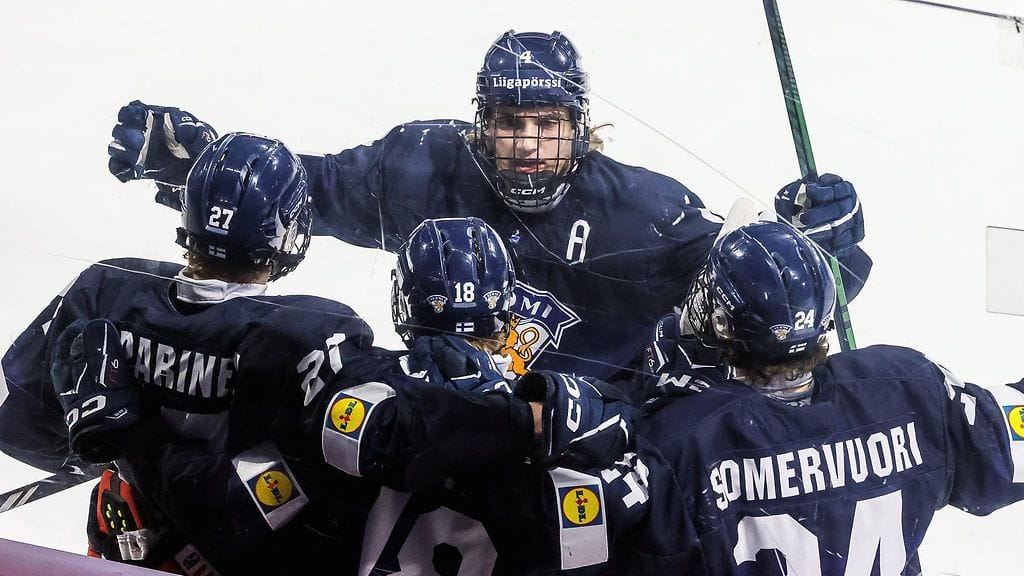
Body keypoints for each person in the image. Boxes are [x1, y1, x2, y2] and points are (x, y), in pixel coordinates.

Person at [104, 29, 872, 386]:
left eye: (548, 125)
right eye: (510, 123)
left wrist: (824, 255)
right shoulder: (424, 166)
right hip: (448, 422)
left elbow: (767, 299)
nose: (529, 145)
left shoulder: (647, 211)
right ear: (482, 124)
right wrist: (207, 173)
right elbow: (313, 191)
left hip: (596, 442)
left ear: (581, 128)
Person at [49, 216, 634, 575]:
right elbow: (599, 543)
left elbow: (231, 509)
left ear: (404, 306)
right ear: (507, 318)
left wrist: (129, 438)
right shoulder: (580, 416)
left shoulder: (352, 384)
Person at [0, 131, 386, 572]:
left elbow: (20, 426)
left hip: (119, 548)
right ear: (287, 230)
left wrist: (108, 438)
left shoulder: (105, 289)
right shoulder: (313, 332)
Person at [602, 219, 1024, 574]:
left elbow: (568, 538)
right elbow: (1003, 450)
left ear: (724, 325)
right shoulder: (908, 386)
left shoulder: (684, 440)